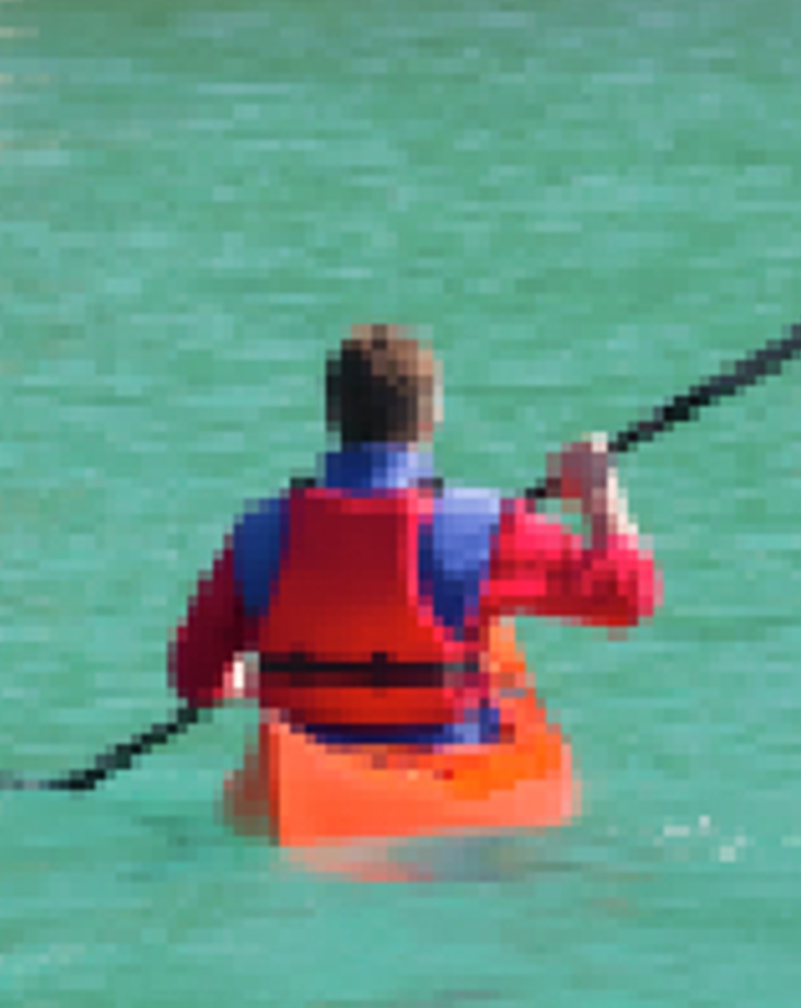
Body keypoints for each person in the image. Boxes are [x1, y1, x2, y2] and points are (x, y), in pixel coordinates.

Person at [169, 321, 659, 751]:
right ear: (429, 419)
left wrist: (248, 680)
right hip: (444, 759)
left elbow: (193, 675)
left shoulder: (260, 529)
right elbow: (628, 597)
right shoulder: (489, 525)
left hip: (306, 757)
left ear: (334, 418)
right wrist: (598, 492)